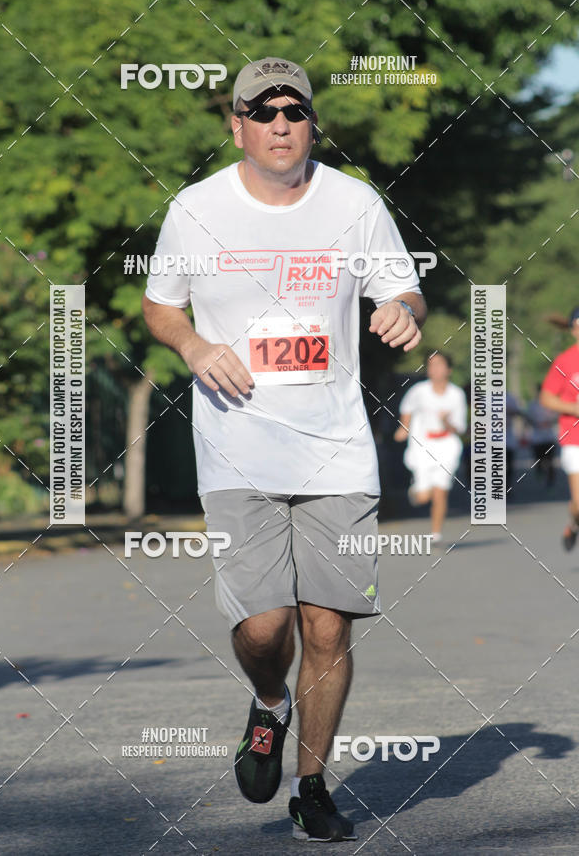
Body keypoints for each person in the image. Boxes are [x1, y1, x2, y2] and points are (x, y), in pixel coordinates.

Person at [142, 57, 426, 842]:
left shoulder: (354, 202)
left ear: (311, 125)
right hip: (237, 446)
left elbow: (402, 287)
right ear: (236, 126)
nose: (279, 124)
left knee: (328, 626)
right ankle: (269, 704)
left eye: (293, 111)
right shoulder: (197, 209)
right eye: (262, 111)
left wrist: (404, 309)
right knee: (266, 629)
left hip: (337, 448)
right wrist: (195, 347)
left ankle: (311, 787)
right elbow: (161, 307)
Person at [394, 351, 466, 544]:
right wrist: (404, 427)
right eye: (431, 365)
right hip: (422, 445)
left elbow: (460, 428)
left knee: (441, 491)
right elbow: (407, 408)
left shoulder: (456, 395)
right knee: (424, 497)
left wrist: (446, 421)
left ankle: (436, 533)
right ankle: (416, 490)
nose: (435, 369)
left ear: (448, 370)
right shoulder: (419, 391)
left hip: (447, 445)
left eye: (440, 364)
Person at [540, 306, 579, 550]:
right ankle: (574, 522)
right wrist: (574, 408)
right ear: (573, 330)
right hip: (574, 438)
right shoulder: (565, 360)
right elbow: (546, 398)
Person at [525, 384, 557, 486]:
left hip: (549, 438)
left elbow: (556, 417)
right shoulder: (532, 405)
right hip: (537, 439)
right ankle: (540, 475)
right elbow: (528, 419)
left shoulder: (550, 403)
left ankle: (550, 481)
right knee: (538, 460)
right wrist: (535, 424)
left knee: (550, 461)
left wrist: (549, 422)